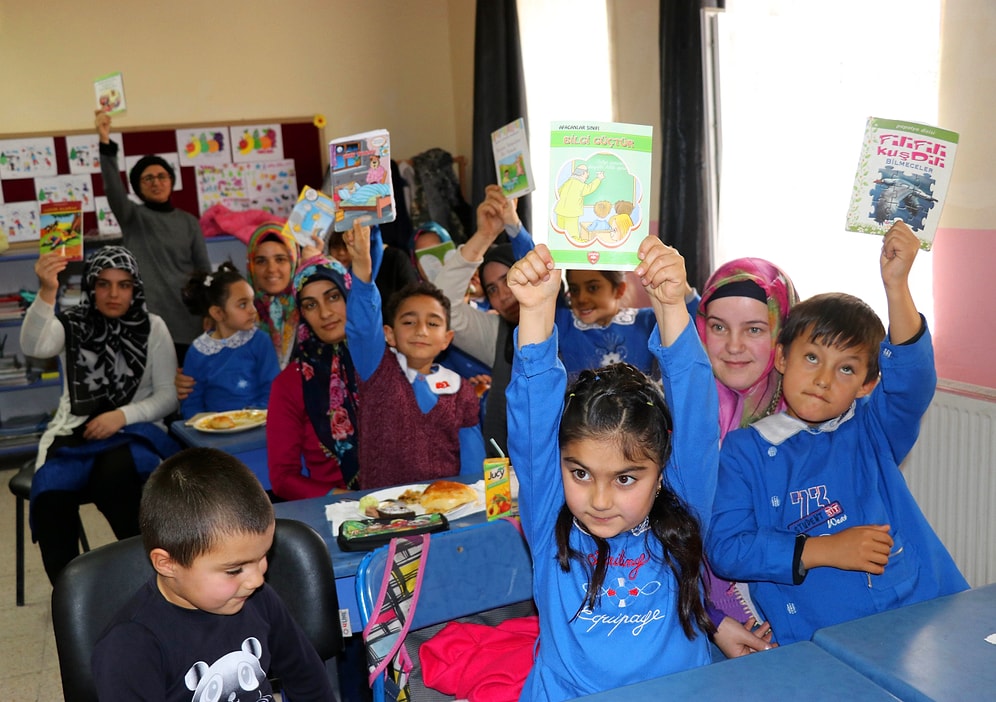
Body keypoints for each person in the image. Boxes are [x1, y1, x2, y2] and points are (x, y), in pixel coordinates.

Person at [707, 221, 969, 646]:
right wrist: (823, 550)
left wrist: (897, 285)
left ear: (866, 384)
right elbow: (727, 548)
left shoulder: (871, 429)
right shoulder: (743, 451)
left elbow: (913, 381)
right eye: (811, 357)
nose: (824, 379)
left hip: (911, 620)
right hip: (815, 644)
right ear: (782, 358)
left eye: (846, 368)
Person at [505, 238, 720, 699]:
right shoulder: (550, 518)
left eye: (625, 479)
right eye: (580, 473)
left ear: (662, 471)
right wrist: (538, 312)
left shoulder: (683, 506)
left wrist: (670, 305)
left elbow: (697, 409)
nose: (599, 501)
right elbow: (531, 416)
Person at [92, 447, 336, 701]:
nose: (257, 580)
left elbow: (307, 676)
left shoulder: (256, 598)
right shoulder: (130, 647)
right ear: (167, 564)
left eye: (263, 556)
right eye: (234, 570)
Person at [20, 247, 180, 584]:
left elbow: (167, 396)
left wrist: (121, 416)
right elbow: (34, 347)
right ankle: (71, 593)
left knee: (117, 479)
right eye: (104, 284)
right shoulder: (73, 323)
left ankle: (149, 582)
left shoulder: (153, 327)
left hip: (133, 429)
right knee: (50, 498)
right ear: (91, 287)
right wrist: (48, 289)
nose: (113, 294)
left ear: (135, 288)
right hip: (75, 433)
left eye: (123, 285)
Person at [696, 257, 797, 653]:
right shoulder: (678, 411)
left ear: (780, 334)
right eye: (719, 327)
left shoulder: (808, 414)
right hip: (698, 613)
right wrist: (709, 615)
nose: (733, 346)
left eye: (754, 329)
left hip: (792, 615)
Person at [343, 219, 485, 489]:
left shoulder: (462, 391)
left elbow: (472, 468)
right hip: (384, 513)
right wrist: (362, 272)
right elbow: (362, 327)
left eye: (432, 323)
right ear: (389, 334)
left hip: (446, 511)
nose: (420, 330)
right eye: (409, 322)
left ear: (447, 339)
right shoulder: (377, 371)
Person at [95, 111, 210, 364]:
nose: (156, 183)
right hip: (145, 324)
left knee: (187, 390)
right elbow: (112, 188)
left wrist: (209, 312)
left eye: (162, 176)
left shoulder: (189, 222)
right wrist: (105, 143)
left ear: (171, 182)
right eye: (148, 178)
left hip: (188, 322)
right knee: (155, 393)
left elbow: (204, 273)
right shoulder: (133, 218)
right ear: (138, 187)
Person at [432, 185, 536, 457]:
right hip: (511, 471)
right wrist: (485, 234)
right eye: (492, 289)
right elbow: (443, 304)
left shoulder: (569, 323)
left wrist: (513, 225)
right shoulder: (498, 335)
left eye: (509, 280)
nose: (503, 295)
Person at [267, 255, 361, 498]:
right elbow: (283, 477)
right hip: (338, 514)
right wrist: (341, 498)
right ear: (302, 314)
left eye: (333, 297)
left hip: (402, 499)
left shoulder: (383, 360)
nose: (325, 312)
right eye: (310, 304)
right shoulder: (290, 383)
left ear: (349, 295)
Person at [178, 261, 280, 418]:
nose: (253, 310)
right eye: (242, 305)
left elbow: (272, 390)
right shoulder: (197, 351)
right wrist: (206, 426)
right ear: (218, 313)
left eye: (252, 302)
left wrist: (249, 417)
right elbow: (191, 404)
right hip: (214, 433)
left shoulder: (260, 341)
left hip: (259, 426)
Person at [559, 268, 659, 382]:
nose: (581, 298)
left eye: (593, 288)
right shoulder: (564, 321)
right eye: (574, 290)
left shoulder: (648, 321)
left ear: (619, 290)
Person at [553, 163, 605, 241]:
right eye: (587, 172)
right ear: (583, 173)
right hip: (571, 213)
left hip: (560, 211)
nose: (588, 174)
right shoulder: (579, 184)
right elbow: (589, 188)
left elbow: (558, 192)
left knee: (561, 235)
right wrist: (598, 179)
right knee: (572, 236)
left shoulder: (567, 182)